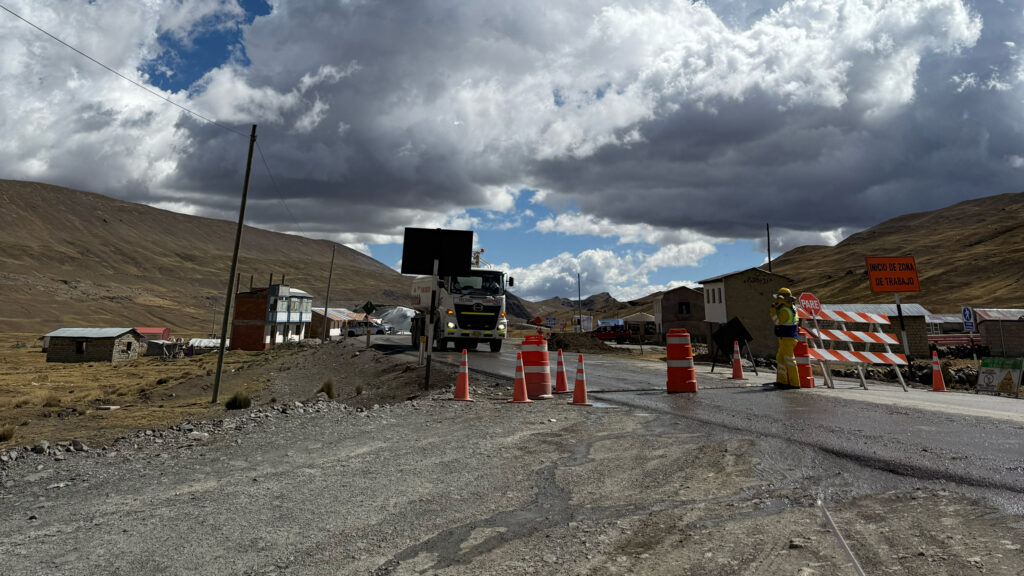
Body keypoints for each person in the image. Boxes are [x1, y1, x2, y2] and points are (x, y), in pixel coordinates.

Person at [770, 287, 800, 388]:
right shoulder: (792, 307)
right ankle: (781, 381)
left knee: (789, 360)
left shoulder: (784, 310)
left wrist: (773, 311)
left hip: (787, 338)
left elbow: (778, 322)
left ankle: (795, 383)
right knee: (781, 359)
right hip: (787, 337)